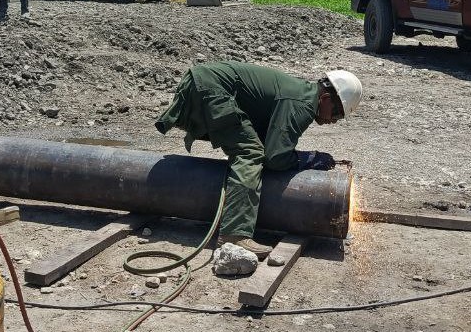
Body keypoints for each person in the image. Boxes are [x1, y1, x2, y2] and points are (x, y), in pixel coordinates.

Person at [155, 62, 363, 259]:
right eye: (336, 114)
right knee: (251, 153)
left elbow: (271, 143)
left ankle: (237, 219)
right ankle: (235, 236)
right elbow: (275, 157)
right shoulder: (302, 104)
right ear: (325, 99)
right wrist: (308, 159)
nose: (333, 121)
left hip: (203, 82)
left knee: (252, 147)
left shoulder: (303, 94)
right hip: (211, 88)